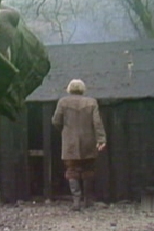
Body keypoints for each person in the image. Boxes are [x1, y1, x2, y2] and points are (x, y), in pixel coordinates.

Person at [52, 79, 106, 211]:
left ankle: (76, 202)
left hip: (70, 143)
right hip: (88, 142)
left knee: (72, 171)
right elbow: (97, 123)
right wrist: (101, 139)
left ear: (69, 89)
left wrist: (65, 130)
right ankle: (88, 200)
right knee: (88, 170)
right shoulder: (92, 102)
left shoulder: (63, 102)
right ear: (83, 89)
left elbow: (56, 121)